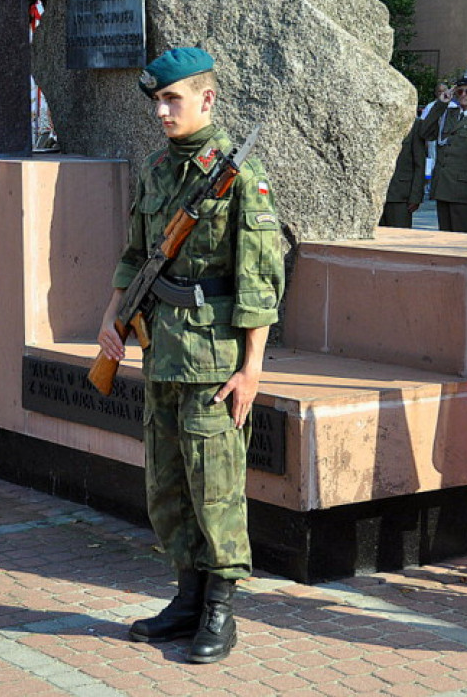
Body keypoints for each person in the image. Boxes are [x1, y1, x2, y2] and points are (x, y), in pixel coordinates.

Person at [96, 48, 284, 664]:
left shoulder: (238, 177)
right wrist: (112, 313)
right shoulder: (157, 169)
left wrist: (252, 368)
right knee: (168, 481)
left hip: (212, 357)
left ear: (207, 99)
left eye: (172, 98)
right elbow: (135, 252)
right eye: (157, 100)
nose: (161, 110)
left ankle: (220, 611)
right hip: (161, 350)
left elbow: (259, 282)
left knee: (216, 485)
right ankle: (185, 597)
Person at [418, 74, 467, 233]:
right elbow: (425, 133)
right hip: (443, 187)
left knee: (464, 239)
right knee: (445, 237)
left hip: (466, 191)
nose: (463, 95)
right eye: (459, 92)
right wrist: (441, 104)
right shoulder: (448, 114)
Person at [380, 117, 427, 227]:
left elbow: (419, 163)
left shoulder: (414, 124)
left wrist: (416, 196)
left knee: (398, 236)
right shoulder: (373, 118)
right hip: (374, 193)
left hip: (400, 195)